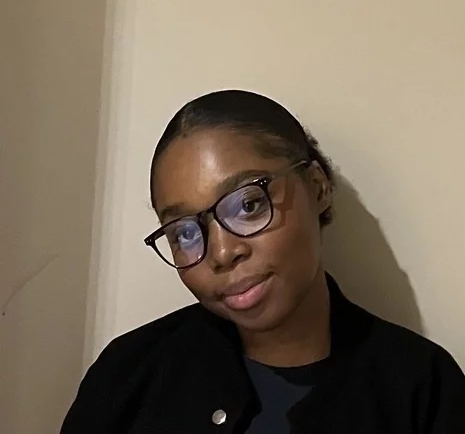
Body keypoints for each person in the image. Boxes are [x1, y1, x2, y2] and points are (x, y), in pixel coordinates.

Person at [61, 90, 465, 434]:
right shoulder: (129, 374)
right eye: (184, 232)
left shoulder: (423, 390)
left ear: (317, 187)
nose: (222, 253)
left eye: (249, 205)